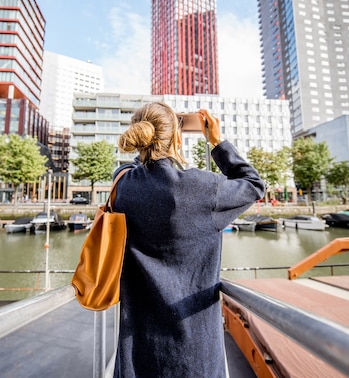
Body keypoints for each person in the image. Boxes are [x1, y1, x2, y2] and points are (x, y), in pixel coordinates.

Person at [113, 102, 266, 377]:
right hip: (194, 355)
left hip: (137, 351)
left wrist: (151, 152)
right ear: (178, 138)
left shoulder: (122, 185)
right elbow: (253, 184)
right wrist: (217, 143)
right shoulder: (204, 188)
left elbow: (136, 168)